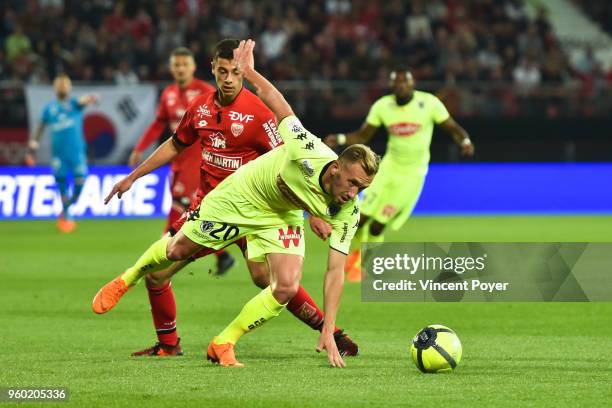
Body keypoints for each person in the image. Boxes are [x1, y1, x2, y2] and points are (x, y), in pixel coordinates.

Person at [93, 39, 367, 363]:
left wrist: (312, 212)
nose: (227, 79)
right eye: (222, 71)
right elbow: (175, 144)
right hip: (215, 205)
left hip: (257, 206)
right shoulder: (200, 108)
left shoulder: (258, 115)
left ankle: (328, 331)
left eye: (235, 72)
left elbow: (287, 164)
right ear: (212, 69)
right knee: (160, 271)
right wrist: (134, 175)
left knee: (270, 280)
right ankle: (168, 343)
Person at [325, 69, 474, 281]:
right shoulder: (383, 106)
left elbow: (453, 128)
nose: (401, 86)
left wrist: (465, 141)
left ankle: (360, 265)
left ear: (413, 84)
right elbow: (363, 135)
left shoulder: (429, 103)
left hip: (411, 175)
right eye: (397, 83)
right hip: (388, 169)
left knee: (378, 224)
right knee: (361, 217)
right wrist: (339, 138)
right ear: (391, 85)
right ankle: (352, 259)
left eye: (405, 82)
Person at [127, 47, 236, 275]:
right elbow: (158, 124)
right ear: (171, 67)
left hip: (198, 160)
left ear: (193, 67)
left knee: (183, 206)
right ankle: (221, 254)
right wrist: (140, 148)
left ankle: (159, 257)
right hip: (176, 159)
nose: (180, 69)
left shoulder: (206, 91)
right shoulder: (168, 94)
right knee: (187, 207)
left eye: (184, 64)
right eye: (176, 65)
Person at [26, 74, 97, 233]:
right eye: (60, 85)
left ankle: (68, 207)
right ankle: (67, 215)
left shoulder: (74, 104)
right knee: (62, 186)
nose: (63, 87)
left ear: (70, 88)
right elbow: (40, 127)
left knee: (80, 184)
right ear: (55, 88)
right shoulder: (49, 109)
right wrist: (33, 145)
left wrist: (90, 98)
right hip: (59, 155)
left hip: (77, 152)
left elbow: (83, 100)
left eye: (66, 85)